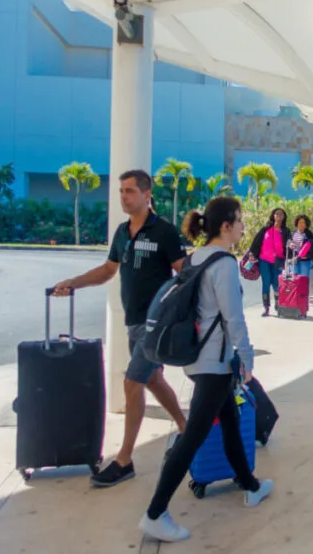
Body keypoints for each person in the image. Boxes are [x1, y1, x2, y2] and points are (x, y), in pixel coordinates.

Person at [139, 196, 273, 543]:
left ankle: (250, 484)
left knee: (228, 420)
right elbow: (233, 318)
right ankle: (155, 513)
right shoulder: (225, 264)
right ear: (226, 226)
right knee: (193, 437)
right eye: (240, 221)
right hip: (214, 362)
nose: (244, 227)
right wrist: (247, 358)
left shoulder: (196, 257)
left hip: (198, 359)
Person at [51, 169, 187, 488]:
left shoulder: (164, 232)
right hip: (134, 321)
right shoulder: (122, 233)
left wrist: (174, 314)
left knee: (131, 382)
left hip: (156, 324)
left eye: (129, 191)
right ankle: (186, 426)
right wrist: (74, 283)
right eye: (121, 191)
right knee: (151, 379)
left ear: (146, 194)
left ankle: (125, 460)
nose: (124, 197)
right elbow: (109, 270)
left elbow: (184, 275)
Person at [248, 208, 289, 317]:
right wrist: (252, 254)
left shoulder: (285, 230)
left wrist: (290, 244)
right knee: (266, 283)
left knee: (276, 283)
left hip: (279, 261)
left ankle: (278, 304)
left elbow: (289, 241)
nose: (279, 216)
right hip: (264, 260)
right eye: (277, 214)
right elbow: (256, 241)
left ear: (284, 217)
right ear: (273, 216)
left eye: (281, 214)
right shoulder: (266, 228)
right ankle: (266, 308)